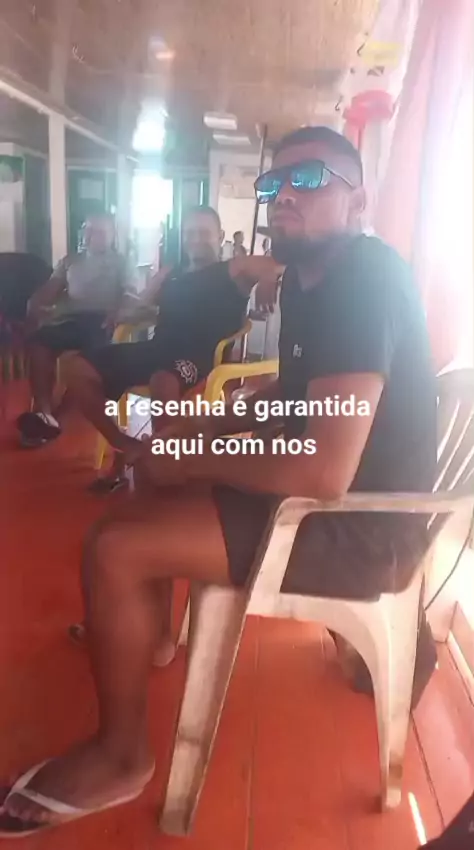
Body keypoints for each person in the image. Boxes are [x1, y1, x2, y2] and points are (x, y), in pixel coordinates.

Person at [0, 126, 438, 836]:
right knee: (151, 483)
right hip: (330, 498)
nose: (284, 195)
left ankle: (122, 757)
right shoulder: (310, 282)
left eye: (309, 178)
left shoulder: (365, 281)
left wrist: (194, 458)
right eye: (274, 183)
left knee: (115, 544)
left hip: (359, 526)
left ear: (358, 201)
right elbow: (299, 396)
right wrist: (213, 421)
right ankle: (152, 636)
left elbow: (323, 470)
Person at [64, 206, 280, 493]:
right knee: (76, 366)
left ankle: (169, 466)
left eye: (204, 232)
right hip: (157, 347)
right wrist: (122, 313)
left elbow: (275, 263)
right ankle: (126, 446)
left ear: (220, 237)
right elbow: (141, 303)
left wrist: (268, 279)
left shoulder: (233, 269)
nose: (195, 239)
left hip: (197, 355)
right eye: (189, 233)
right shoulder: (170, 272)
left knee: (163, 379)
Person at [16, 213, 129, 448]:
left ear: (112, 236)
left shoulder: (122, 262)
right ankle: (44, 412)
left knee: (84, 363)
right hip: (70, 320)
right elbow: (51, 287)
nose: (91, 236)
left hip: (102, 322)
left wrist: (118, 312)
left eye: (99, 231)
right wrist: (35, 303)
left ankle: (56, 419)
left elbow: (131, 294)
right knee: (39, 342)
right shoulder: (70, 260)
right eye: (88, 230)